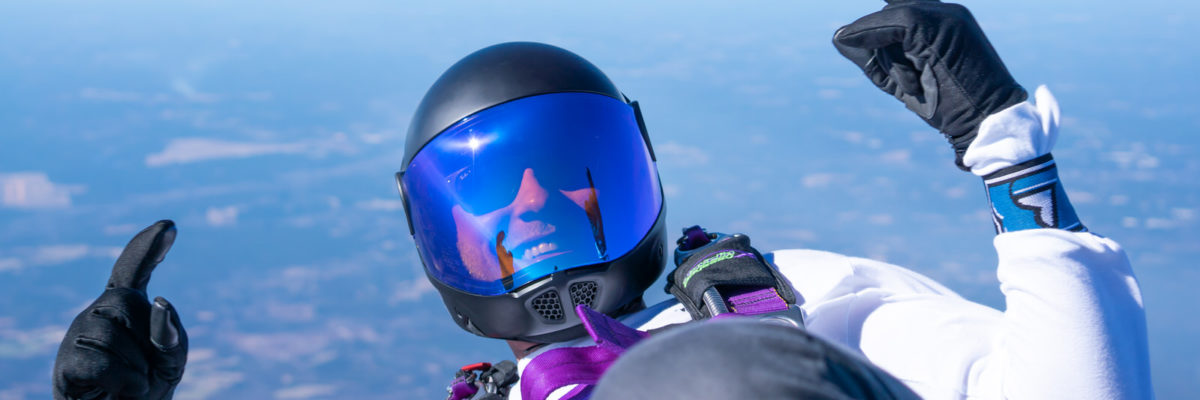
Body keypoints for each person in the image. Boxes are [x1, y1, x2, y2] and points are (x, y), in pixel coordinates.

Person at [51, 1, 1154, 399]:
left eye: (568, 172)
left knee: (717, 374)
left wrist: (1010, 160)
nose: (532, 211)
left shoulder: (798, 304)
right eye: (488, 197)